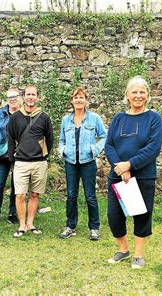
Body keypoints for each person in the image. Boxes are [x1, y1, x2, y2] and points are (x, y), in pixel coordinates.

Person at [105, 76, 162, 269]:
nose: (138, 96)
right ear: (127, 96)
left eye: (142, 92)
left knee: (141, 215)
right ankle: (123, 249)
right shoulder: (118, 118)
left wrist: (129, 165)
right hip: (117, 175)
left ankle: (138, 254)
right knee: (114, 215)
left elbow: (153, 147)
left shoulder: (153, 118)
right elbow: (109, 145)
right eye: (134, 92)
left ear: (147, 95)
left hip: (143, 174)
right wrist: (120, 167)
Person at [58, 86, 107, 240]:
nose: (78, 100)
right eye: (76, 97)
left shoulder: (94, 118)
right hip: (71, 162)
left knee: (90, 196)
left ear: (86, 100)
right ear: (72, 101)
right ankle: (70, 226)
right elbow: (61, 140)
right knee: (71, 195)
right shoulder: (66, 120)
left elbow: (104, 137)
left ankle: (94, 228)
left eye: (81, 97)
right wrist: (63, 150)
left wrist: (95, 149)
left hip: (88, 162)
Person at [7, 85, 53, 238]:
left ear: (37, 97)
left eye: (33, 94)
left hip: (39, 162)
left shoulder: (44, 117)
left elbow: (50, 139)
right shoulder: (15, 117)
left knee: (34, 194)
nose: (31, 97)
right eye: (28, 94)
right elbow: (11, 139)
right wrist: (12, 159)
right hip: (21, 162)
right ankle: (21, 225)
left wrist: (43, 155)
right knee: (19, 195)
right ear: (23, 97)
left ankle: (30, 223)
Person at [0, 88, 21, 227]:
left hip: (19, 155)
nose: (12, 99)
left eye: (15, 96)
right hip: (1, 155)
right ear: (7, 99)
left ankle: (13, 213)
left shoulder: (24, 114)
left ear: (19, 97)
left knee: (16, 185)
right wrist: (0, 144)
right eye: (10, 97)